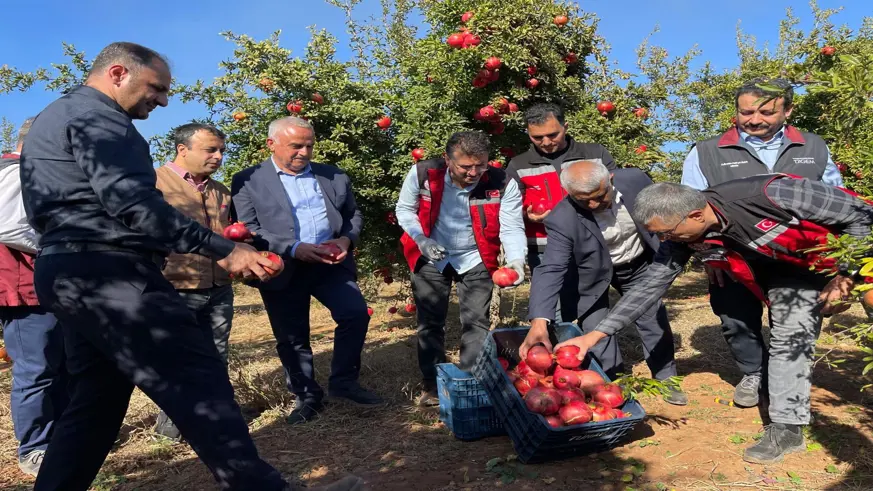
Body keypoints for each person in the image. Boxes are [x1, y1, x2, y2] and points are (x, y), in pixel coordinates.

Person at [20, 41, 362, 491]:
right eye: (156, 88)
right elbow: (135, 205)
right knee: (201, 381)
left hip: (66, 273)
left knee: (95, 404)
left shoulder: (53, 118)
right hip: (111, 273)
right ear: (118, 73)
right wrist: (226, 249)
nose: (162, 100)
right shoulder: (101, 119)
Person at [554, 175, 873, 464]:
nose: (664, 241)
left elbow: (861, 215)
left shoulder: (772, 194)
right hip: (784, 274)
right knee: (787, 341)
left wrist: (846, 275)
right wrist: (594, 336)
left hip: (837, 260)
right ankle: (787, 430)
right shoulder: (684, 236)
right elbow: (648, 286)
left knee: (817, 331)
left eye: (667, 233)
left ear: (695, 214)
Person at [681, 77, 845, 407]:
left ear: (788, 110)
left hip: (800, 254)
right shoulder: (706, 152)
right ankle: (754, 371)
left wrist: (839, 261)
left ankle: (787, 377)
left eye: (766, 112)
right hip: (733, 254)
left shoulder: (814, 147)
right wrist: (710, 253)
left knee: (799, 318)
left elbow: (837, 200)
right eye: (745, 112)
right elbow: (692, 208)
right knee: (735, 317)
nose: (754, 120)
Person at [231, 116, 383, 426]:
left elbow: (353, 216)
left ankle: (344, 382)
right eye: (295, 146)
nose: (304, 152)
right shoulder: (248, 179)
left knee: (354, 314)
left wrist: (345, 239)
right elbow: (248, 227)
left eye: (309, 146)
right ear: (271, 144)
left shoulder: (333, 176)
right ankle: (306, 394)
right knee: (291, 336)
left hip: (330, 263)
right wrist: (292, 247)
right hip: (281, 267)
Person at [519, 161, 686, 404]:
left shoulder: (636, 181)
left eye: (599, 196)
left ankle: (666, 379)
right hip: (593, 276)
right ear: (570, 194)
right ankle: (611, 385)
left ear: (610, 179)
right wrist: (538, 321)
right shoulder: (562, 218)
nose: (594, 204)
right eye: (583, 201)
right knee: (596, 328)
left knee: (652, 318)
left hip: (639, 264)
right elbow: (551, 268)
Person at [395, 131, 527, 406]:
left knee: (476, 321)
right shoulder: (423, 173)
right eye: (465, 166)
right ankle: (432, 385)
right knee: (430, 323)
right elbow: (405, 209)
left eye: (481, 165)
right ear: (447, 159)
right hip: (431, 256)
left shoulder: (502, 182)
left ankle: (470, 381)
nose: (474, 172)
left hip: (476, 257)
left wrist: (516, 259)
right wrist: (421, 239)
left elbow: (512, 225)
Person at [151, 122, 235, 441]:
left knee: (216, 354)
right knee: (177, 358)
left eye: (221, 151)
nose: (218, 156)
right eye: (210, 150)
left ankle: (214, 415)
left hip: (218, 287)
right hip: (173, 288)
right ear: (182, 150)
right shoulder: (154, 184)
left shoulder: (221, 191)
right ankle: (172, 424)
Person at [0, 118, 69, 476]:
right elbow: (9, 225)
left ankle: (59, 436)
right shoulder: (13, 170)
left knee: (59, 364)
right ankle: (35, 448)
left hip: (44, 286)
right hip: (24, 289)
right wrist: (58, 247)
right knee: (36, 368)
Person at [506, 103, 617, 322]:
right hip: (543, 247)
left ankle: (591, 352)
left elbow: (613, 192)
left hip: (589, 244)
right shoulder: (518, 165)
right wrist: (527, 216)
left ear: (565, 127)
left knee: (591, 306)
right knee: (551, 311)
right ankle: (559, 351)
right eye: (537, 138)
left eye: (552, 134)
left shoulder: (594, 153)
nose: (546, 142)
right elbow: (510, 209)